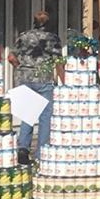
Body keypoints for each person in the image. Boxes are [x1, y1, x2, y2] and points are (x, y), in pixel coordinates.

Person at [11, 9, 61, 163]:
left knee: (28, 114)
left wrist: (21, 67)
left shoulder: (23, 36)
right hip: (43, 79)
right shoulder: (52, 39)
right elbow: (58, 62)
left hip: (24, 78)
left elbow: (11, 57)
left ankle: (23, 149)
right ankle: (41, 153)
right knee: (45, 116)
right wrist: (64, 82)